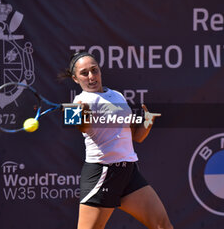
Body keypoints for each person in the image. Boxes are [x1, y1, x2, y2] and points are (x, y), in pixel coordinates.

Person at [61, 52, 173, 229]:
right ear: (75, 79)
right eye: (84, 73)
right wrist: (81, 114)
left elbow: (137, 136)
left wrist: (147, 121)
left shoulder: (117, 96)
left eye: (94, 70)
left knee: (162, 225)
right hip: (103, 174)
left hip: (128, 172)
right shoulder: (80, 100)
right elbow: (81, 126)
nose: (91, 76)